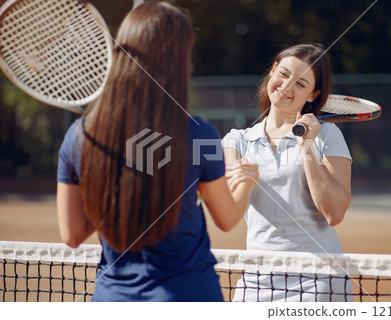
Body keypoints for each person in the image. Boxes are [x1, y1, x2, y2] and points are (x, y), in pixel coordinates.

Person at [56, 1, 257, 302]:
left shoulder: (78, 137)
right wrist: (246, 183)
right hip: (190, 296)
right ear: (179, 63)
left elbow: (72, 234)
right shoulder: (201, 135)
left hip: (113, 300)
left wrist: (116, 188)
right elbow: (227, 219)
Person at [222, 44, 353, 302]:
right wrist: (245, 184)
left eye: (300, 83)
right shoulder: (236, 140)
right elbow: (227, 215)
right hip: (257, 282)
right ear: (272, 72)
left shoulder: (328, 135)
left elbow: (334, 213)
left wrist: (308, 147)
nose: (286, 86)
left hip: (320, 282)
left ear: (313, 94)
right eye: (283, 74)